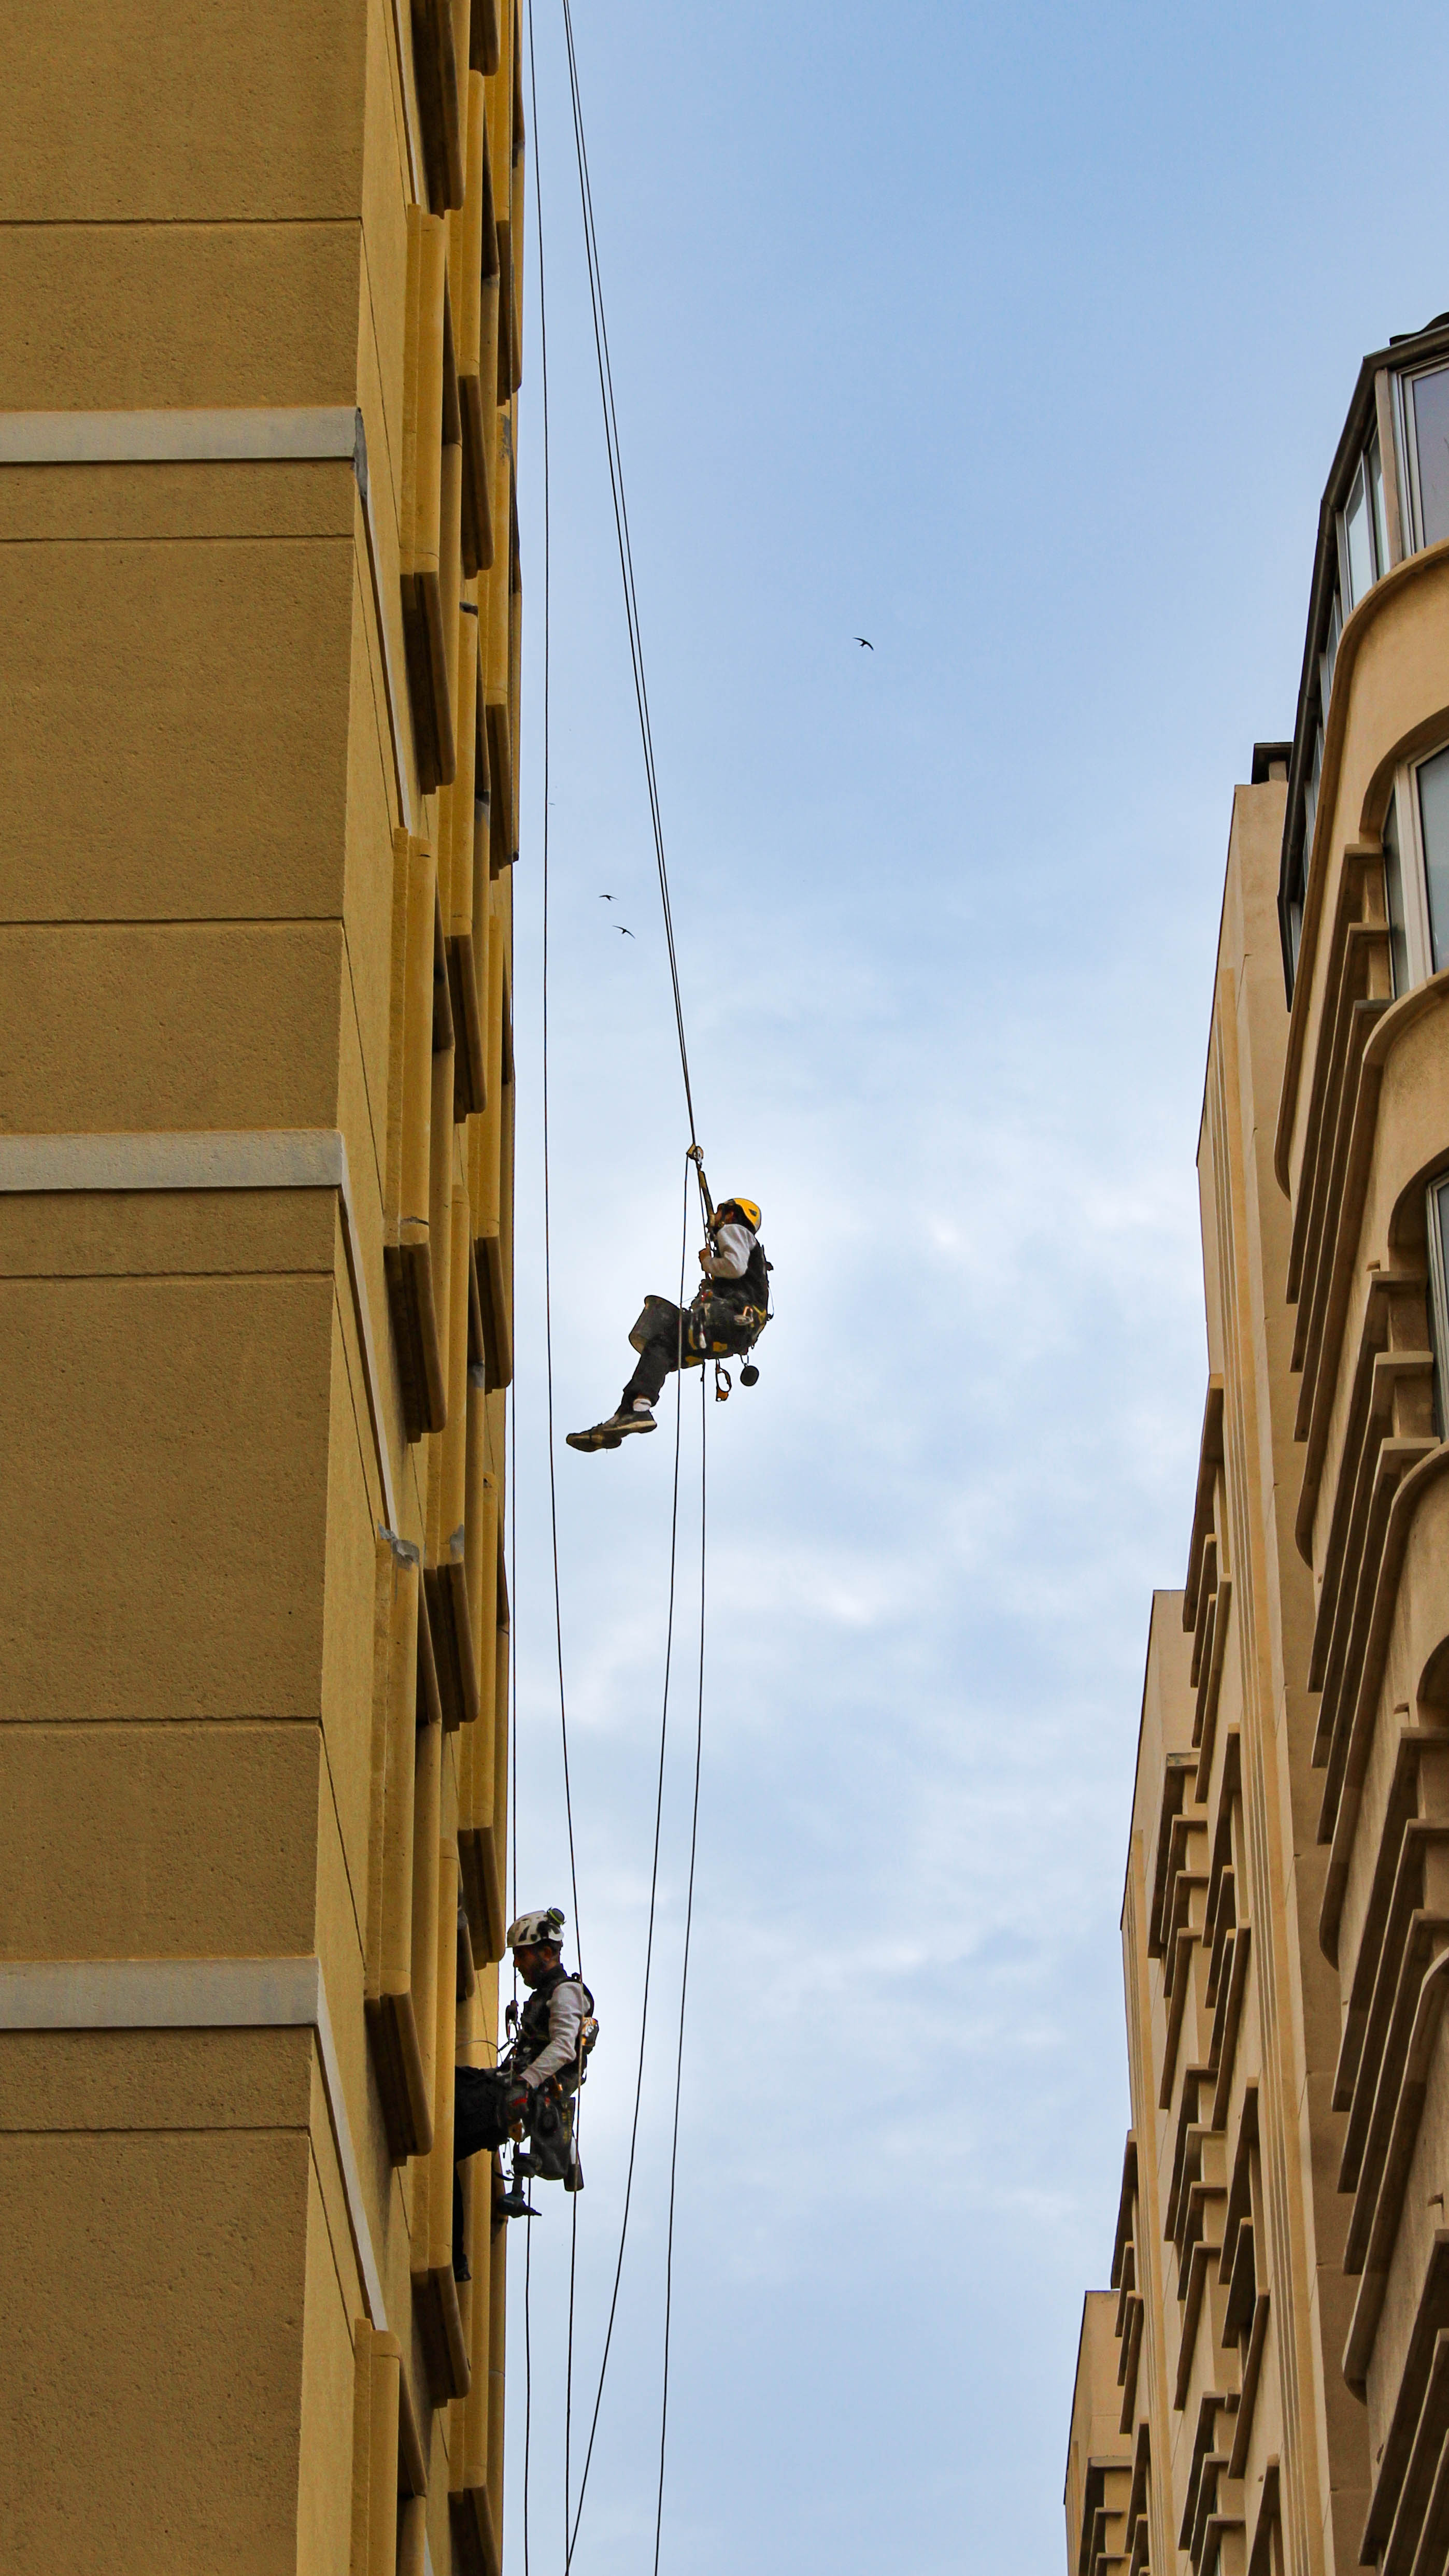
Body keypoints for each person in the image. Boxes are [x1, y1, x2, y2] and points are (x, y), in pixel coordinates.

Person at [567, 1196, 770, 1453]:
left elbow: (734, 1266)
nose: (716, 1217)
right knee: (661, 1348)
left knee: (663, 1333)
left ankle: (635, 1409)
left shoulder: (735, 1231)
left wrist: (708, 1261)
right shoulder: (751, 1253)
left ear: (732, 1215)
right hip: (734, 1333)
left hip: (729, 1318)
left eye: (721, 1212)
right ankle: (632, 1410)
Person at [452, 1906, 594, 2275]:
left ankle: (454, 2256)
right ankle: (454, 2257)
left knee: (450, 2106)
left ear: (547, 1953)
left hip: (523, 2095)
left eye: (522, 1953)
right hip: (514, 2087)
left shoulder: (567, 1993)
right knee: (453, 2091)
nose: (517, 1963)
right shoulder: (549, 1993)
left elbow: (565, 2047)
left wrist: (524, 2084)